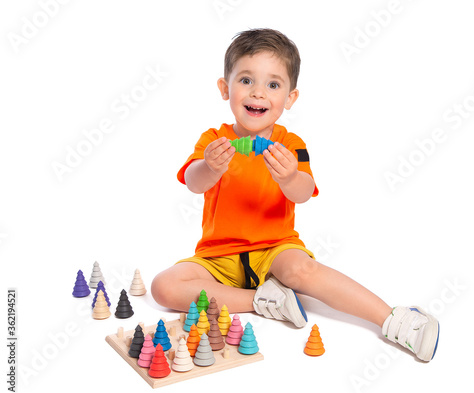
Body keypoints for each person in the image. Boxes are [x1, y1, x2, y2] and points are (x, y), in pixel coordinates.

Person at [151, 28, 439, 362]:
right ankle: (262, 300)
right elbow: (193, 181)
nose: (258, 92)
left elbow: (303, 192)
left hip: (276, 249)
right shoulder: (213, 139)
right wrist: (211, 168)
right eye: (246, 80)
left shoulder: (291, 144)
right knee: (164, 287)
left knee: (302, 272)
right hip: (218, 258)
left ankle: (393, 319)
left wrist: (288, 176)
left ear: (290, 98)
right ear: (224, 88)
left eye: (273, 85)